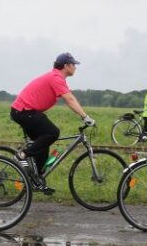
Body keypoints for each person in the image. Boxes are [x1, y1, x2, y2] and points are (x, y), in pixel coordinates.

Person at [10, 52, 96, 193]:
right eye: (74, 64)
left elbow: (70, 98)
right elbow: (70, 100)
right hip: (24, 111)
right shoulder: (56, 77)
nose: (75, 67)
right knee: (52, 133)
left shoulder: (57, 78)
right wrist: (85, 117)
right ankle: (22, 155)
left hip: (26, 111)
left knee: (43, 146)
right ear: (66, 65)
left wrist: (83, 115)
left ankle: (36, 181)